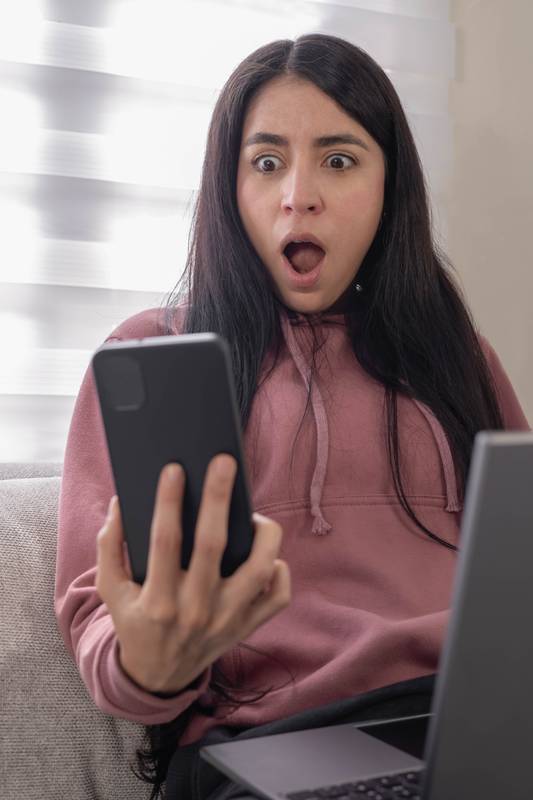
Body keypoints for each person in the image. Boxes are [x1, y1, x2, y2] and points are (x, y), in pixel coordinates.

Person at [54, 33, 530, 800]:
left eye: (338, 161)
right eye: (266, 162)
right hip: (269, 747)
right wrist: (149, 660)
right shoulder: (159, 354)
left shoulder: (456, 358)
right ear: (229, 187)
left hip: (473, 728)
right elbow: (103, 618)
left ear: (387, 189)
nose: (297, 194)